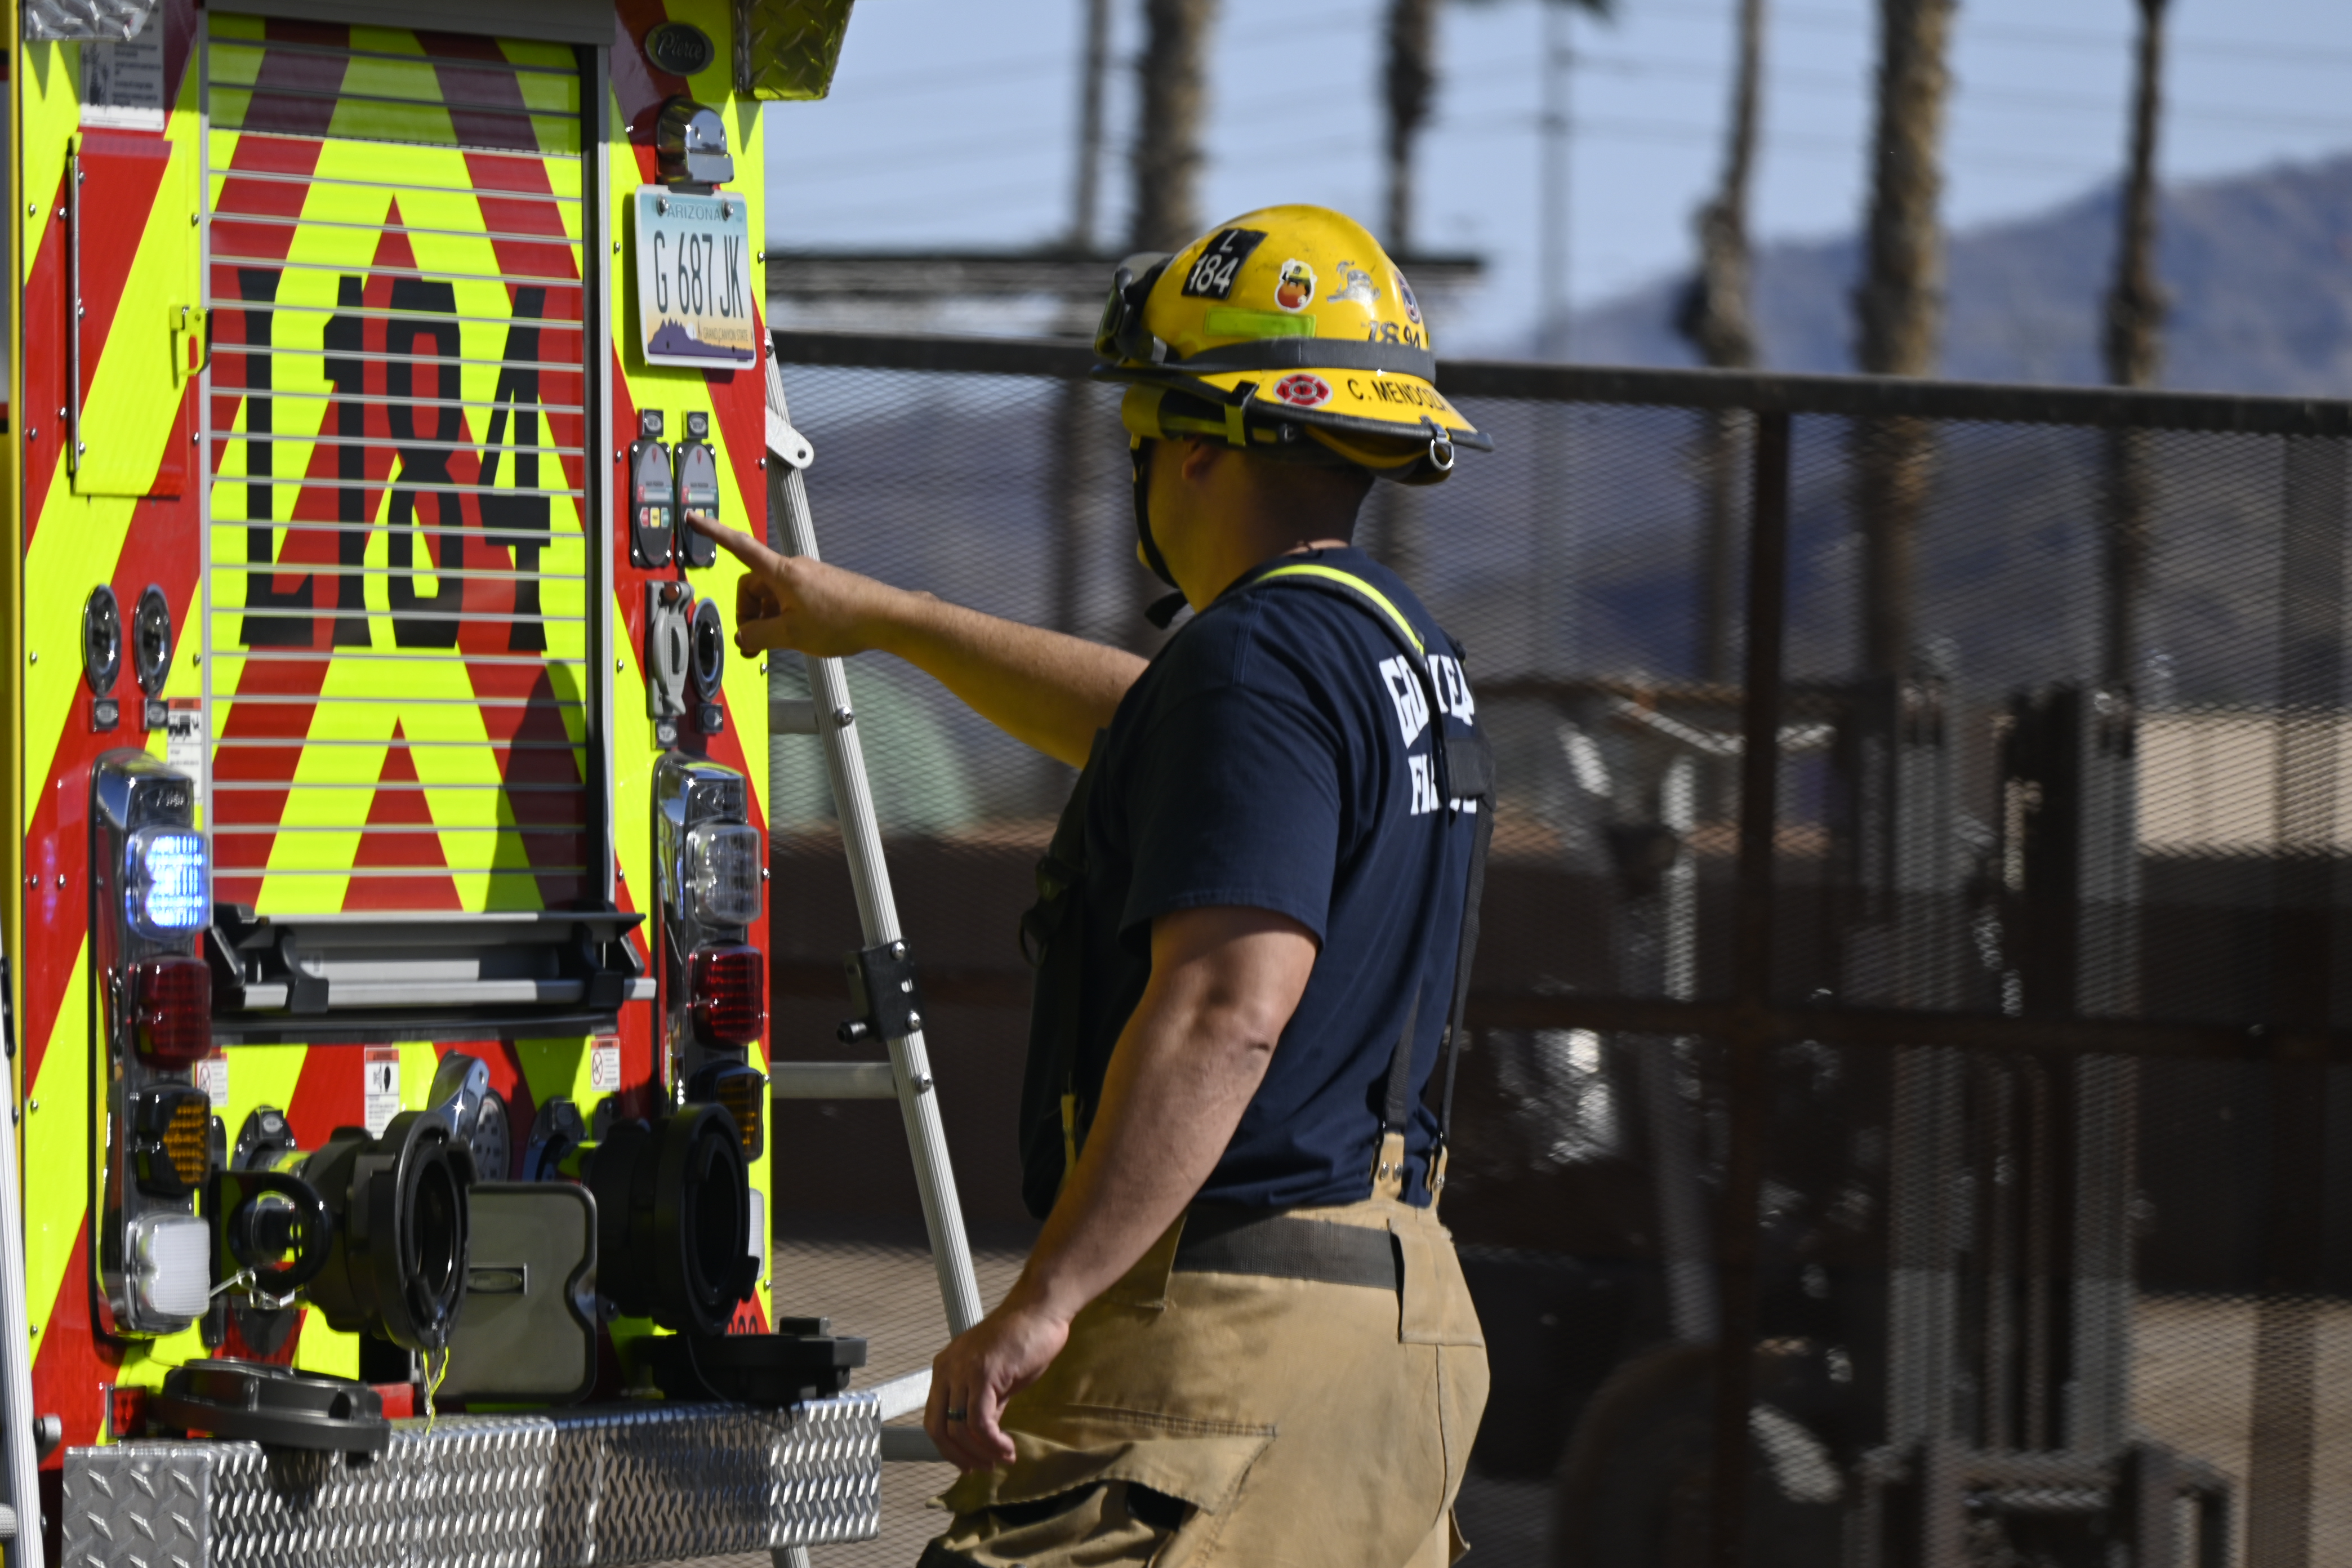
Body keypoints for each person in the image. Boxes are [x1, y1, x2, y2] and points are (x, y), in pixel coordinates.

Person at [694, 204, 1495, 1567]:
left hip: (1225, 1340)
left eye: (1138, 435)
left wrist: (1045, 1303)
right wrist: (884, 620)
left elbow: (1228, 1012)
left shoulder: (1257, 665)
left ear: (1194, 446)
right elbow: (1154, 726)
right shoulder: (1394, 654)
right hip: (1399, 1344)